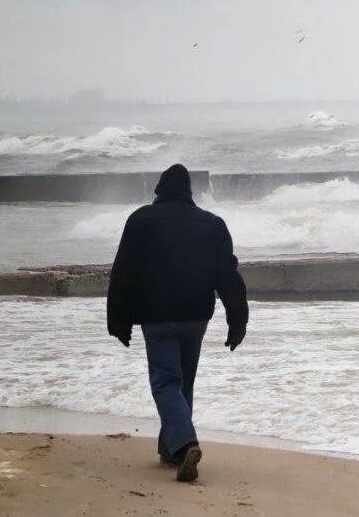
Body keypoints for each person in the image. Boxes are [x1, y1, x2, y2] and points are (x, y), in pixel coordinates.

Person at [106, 163, 248, 483]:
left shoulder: (141, 221)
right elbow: (228, 276)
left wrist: (119, 320)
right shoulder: (212, 225)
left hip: (156, 317)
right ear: (189, 192)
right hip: (196, 316)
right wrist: (237, 320)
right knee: (182, 384)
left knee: (166, 383)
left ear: (159, 190)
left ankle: (185, 445)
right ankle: (170, 451)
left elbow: (124, 274)